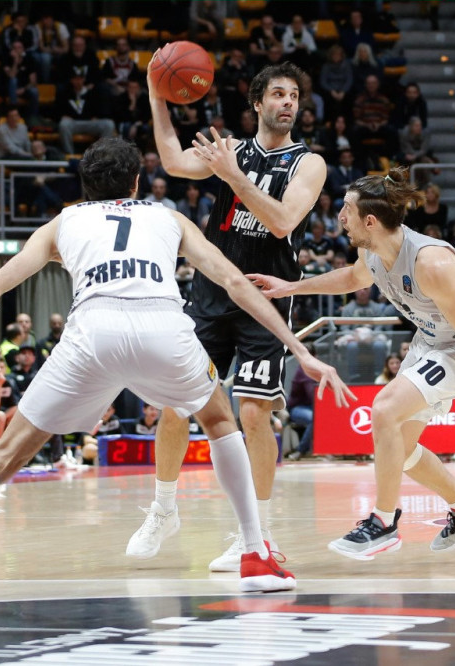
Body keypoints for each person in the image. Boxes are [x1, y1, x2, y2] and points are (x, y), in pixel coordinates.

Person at [0, 137, 351, 605]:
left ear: (84, 187)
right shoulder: (170, 218)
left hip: (90, 333)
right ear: (137, 182)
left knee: (5, 454)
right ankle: (255, 556)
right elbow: (235, 283)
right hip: (161, 326)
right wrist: (297, 348)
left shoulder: (64, 222)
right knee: (221, 419)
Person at [248, 167, 455, 560]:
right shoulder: (371, 252)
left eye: (346, 210)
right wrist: (291, 287)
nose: (340, 218)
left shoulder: (431, 263)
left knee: (384, 409)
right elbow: (352, 277)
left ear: (369, 220)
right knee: (398, 450)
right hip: (429, 344)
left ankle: (383, 523)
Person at [124, 61, 328, 570]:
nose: (288, 103)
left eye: (295, 96)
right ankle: (163, 509)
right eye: (278, 94)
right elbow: (170, 161)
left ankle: (253, 533)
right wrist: (156, 95)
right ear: (257, 103)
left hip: (264, 298)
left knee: (254, 413)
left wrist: (230, 173)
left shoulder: (309, 164)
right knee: (176, 405)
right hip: (212, 295)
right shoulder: (230, 149)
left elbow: (281, 223)